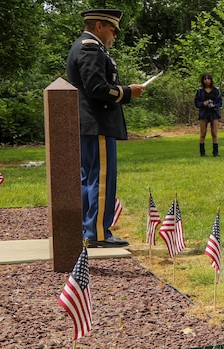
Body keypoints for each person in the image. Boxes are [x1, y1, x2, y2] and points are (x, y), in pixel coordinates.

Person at [67, 9, 145, 247]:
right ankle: (97, 233)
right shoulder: (90, 47)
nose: (114, 36)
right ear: (99, 26)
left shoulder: (84, 46)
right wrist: (127, 92)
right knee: (100, 179)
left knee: (89, 178)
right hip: (97, 122)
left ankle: (88, 228)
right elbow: (97, 88)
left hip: (91, 124)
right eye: (113, 30)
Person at [195, 73, 223, 157]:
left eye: (208, 79)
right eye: (205, 79)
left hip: (214, 113)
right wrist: (203, 103)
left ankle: (215, 153)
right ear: (202, 81)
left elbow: (220, 103)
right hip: (203, 113)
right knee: (203, 133)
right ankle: (202, 153)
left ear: (211, 80)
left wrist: (213, 105)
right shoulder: (200, 91)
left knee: (214, 133)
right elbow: (196, 103)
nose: (207, 81)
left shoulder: (216, 90)